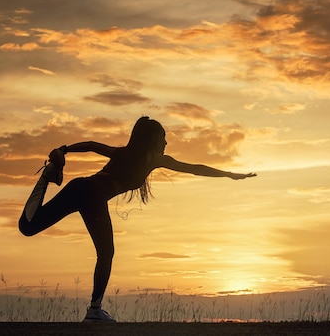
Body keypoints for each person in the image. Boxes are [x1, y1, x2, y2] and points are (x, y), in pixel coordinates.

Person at [18, 116, 256, 322]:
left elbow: (91, 145)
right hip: (91, 194)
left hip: (81, 188)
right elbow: (194, 168)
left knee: (29, 228)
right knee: (106, 253)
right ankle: (94, 310)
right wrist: (229, 175)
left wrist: (65, 149)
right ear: (152, 140)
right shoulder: (152, 158)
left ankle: (48, 176)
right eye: (163, 137)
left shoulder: (123, 152)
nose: (166, 142)